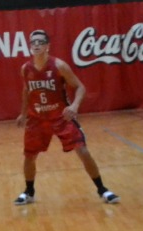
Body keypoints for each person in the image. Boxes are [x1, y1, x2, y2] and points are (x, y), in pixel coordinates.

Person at [15, 29, 119, 205]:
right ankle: (29, 192)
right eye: (33, 42)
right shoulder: (26, 68)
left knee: (82, 150)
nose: (37, 45)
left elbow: (80, 87)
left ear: (48, 46)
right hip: (37, 118)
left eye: (41, 42)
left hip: (61, 116)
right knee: (29, 156)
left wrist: (74, 106)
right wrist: (23, 113)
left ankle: (103, 189)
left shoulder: (59, 66)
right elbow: (26, 90)